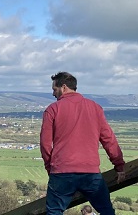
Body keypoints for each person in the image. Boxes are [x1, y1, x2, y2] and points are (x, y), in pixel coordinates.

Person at [40, 72, 125, 215]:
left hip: (62, 172)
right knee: (106, 210)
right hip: (90, 173)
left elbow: (45, 144)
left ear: (64, 87)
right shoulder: (95, 107)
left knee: (54, 212)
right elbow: (108, 139)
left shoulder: (52, 110)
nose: (53, 94)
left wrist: (51, 168)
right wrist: (119, 166)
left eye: (54, 89)